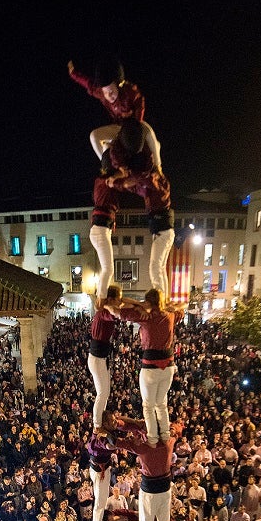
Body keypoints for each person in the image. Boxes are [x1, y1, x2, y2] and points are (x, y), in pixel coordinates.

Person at [92, 121, 173, 299]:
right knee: (152, 268)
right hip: (103, 230)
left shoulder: (155, 182)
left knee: (156, 268)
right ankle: (102, 300)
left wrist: (123, 177)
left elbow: (136, 185)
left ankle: (162, 300)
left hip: (161, 231)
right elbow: (132, 185)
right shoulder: (106, 183)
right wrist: (122, 177)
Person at [103, 287, 184, 445]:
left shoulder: (146, 316)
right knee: (161, 403)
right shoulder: (170, 315)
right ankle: (165, 434)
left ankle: (152, 437)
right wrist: (166, 305)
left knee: (148, 405)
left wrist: (105, 306)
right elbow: (181, 307)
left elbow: (116, 311)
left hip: (151, 366)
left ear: (148, 302)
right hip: (168, 366)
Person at [67, 56, 162, 168]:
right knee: (93, 136)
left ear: (118, 86)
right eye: (106, 92)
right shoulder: (101, 93)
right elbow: (87, 83)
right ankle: (106, 168)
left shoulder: (129, 91)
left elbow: (140, 103)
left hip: (133, 126)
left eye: (111, 91)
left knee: (149, 132)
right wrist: (73, 73)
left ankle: (158, 165)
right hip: (118, 127)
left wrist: (137, 122)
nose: (109, 95)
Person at [88, 285, 121, 432]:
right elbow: (116, 313)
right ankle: (97, 425)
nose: (120, 302)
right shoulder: (103, 313)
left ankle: (102, 419)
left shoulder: (103, 312)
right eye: (118, 299)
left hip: (101, 358)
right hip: (97, 359)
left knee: (105, 393)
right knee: (101, 393)